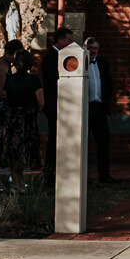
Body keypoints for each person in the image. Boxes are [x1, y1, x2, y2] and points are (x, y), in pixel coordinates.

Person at [1, 46, 44, 190]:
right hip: (27, 118)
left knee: (14, 150)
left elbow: (6, 97)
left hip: (13, 118)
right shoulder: (33, 80)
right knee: (26, 150)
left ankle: (16, 182)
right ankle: (21, 183)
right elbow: (41, 101)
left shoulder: (9, 79)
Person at [0, 39, 24, 192]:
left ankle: (12, 176)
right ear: (10, 53)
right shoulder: (1, 67)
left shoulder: (8, 65)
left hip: (4, 108)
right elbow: (2, 92)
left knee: (8, 142)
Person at [84, 37, 118, 183]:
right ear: (85, 48)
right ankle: (81, 177)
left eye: (95, 48)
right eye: (90, 48)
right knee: (81, 143)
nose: (93, 51)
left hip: (100, 108)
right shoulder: (80, 63)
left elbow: (108, 84)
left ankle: (104, 175)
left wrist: (107, 101)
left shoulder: (103, 63)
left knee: (103, 142)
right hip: (85, 108)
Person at [41, 27, 73, 179]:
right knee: (54, 139)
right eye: (68, 40)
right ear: (60, 40)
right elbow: (52, 83)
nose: (70, 43)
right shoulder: (51, 57)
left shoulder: (59, 55)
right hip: (54, 105)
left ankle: (55, 169)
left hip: (59, 105)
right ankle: (49, 171)